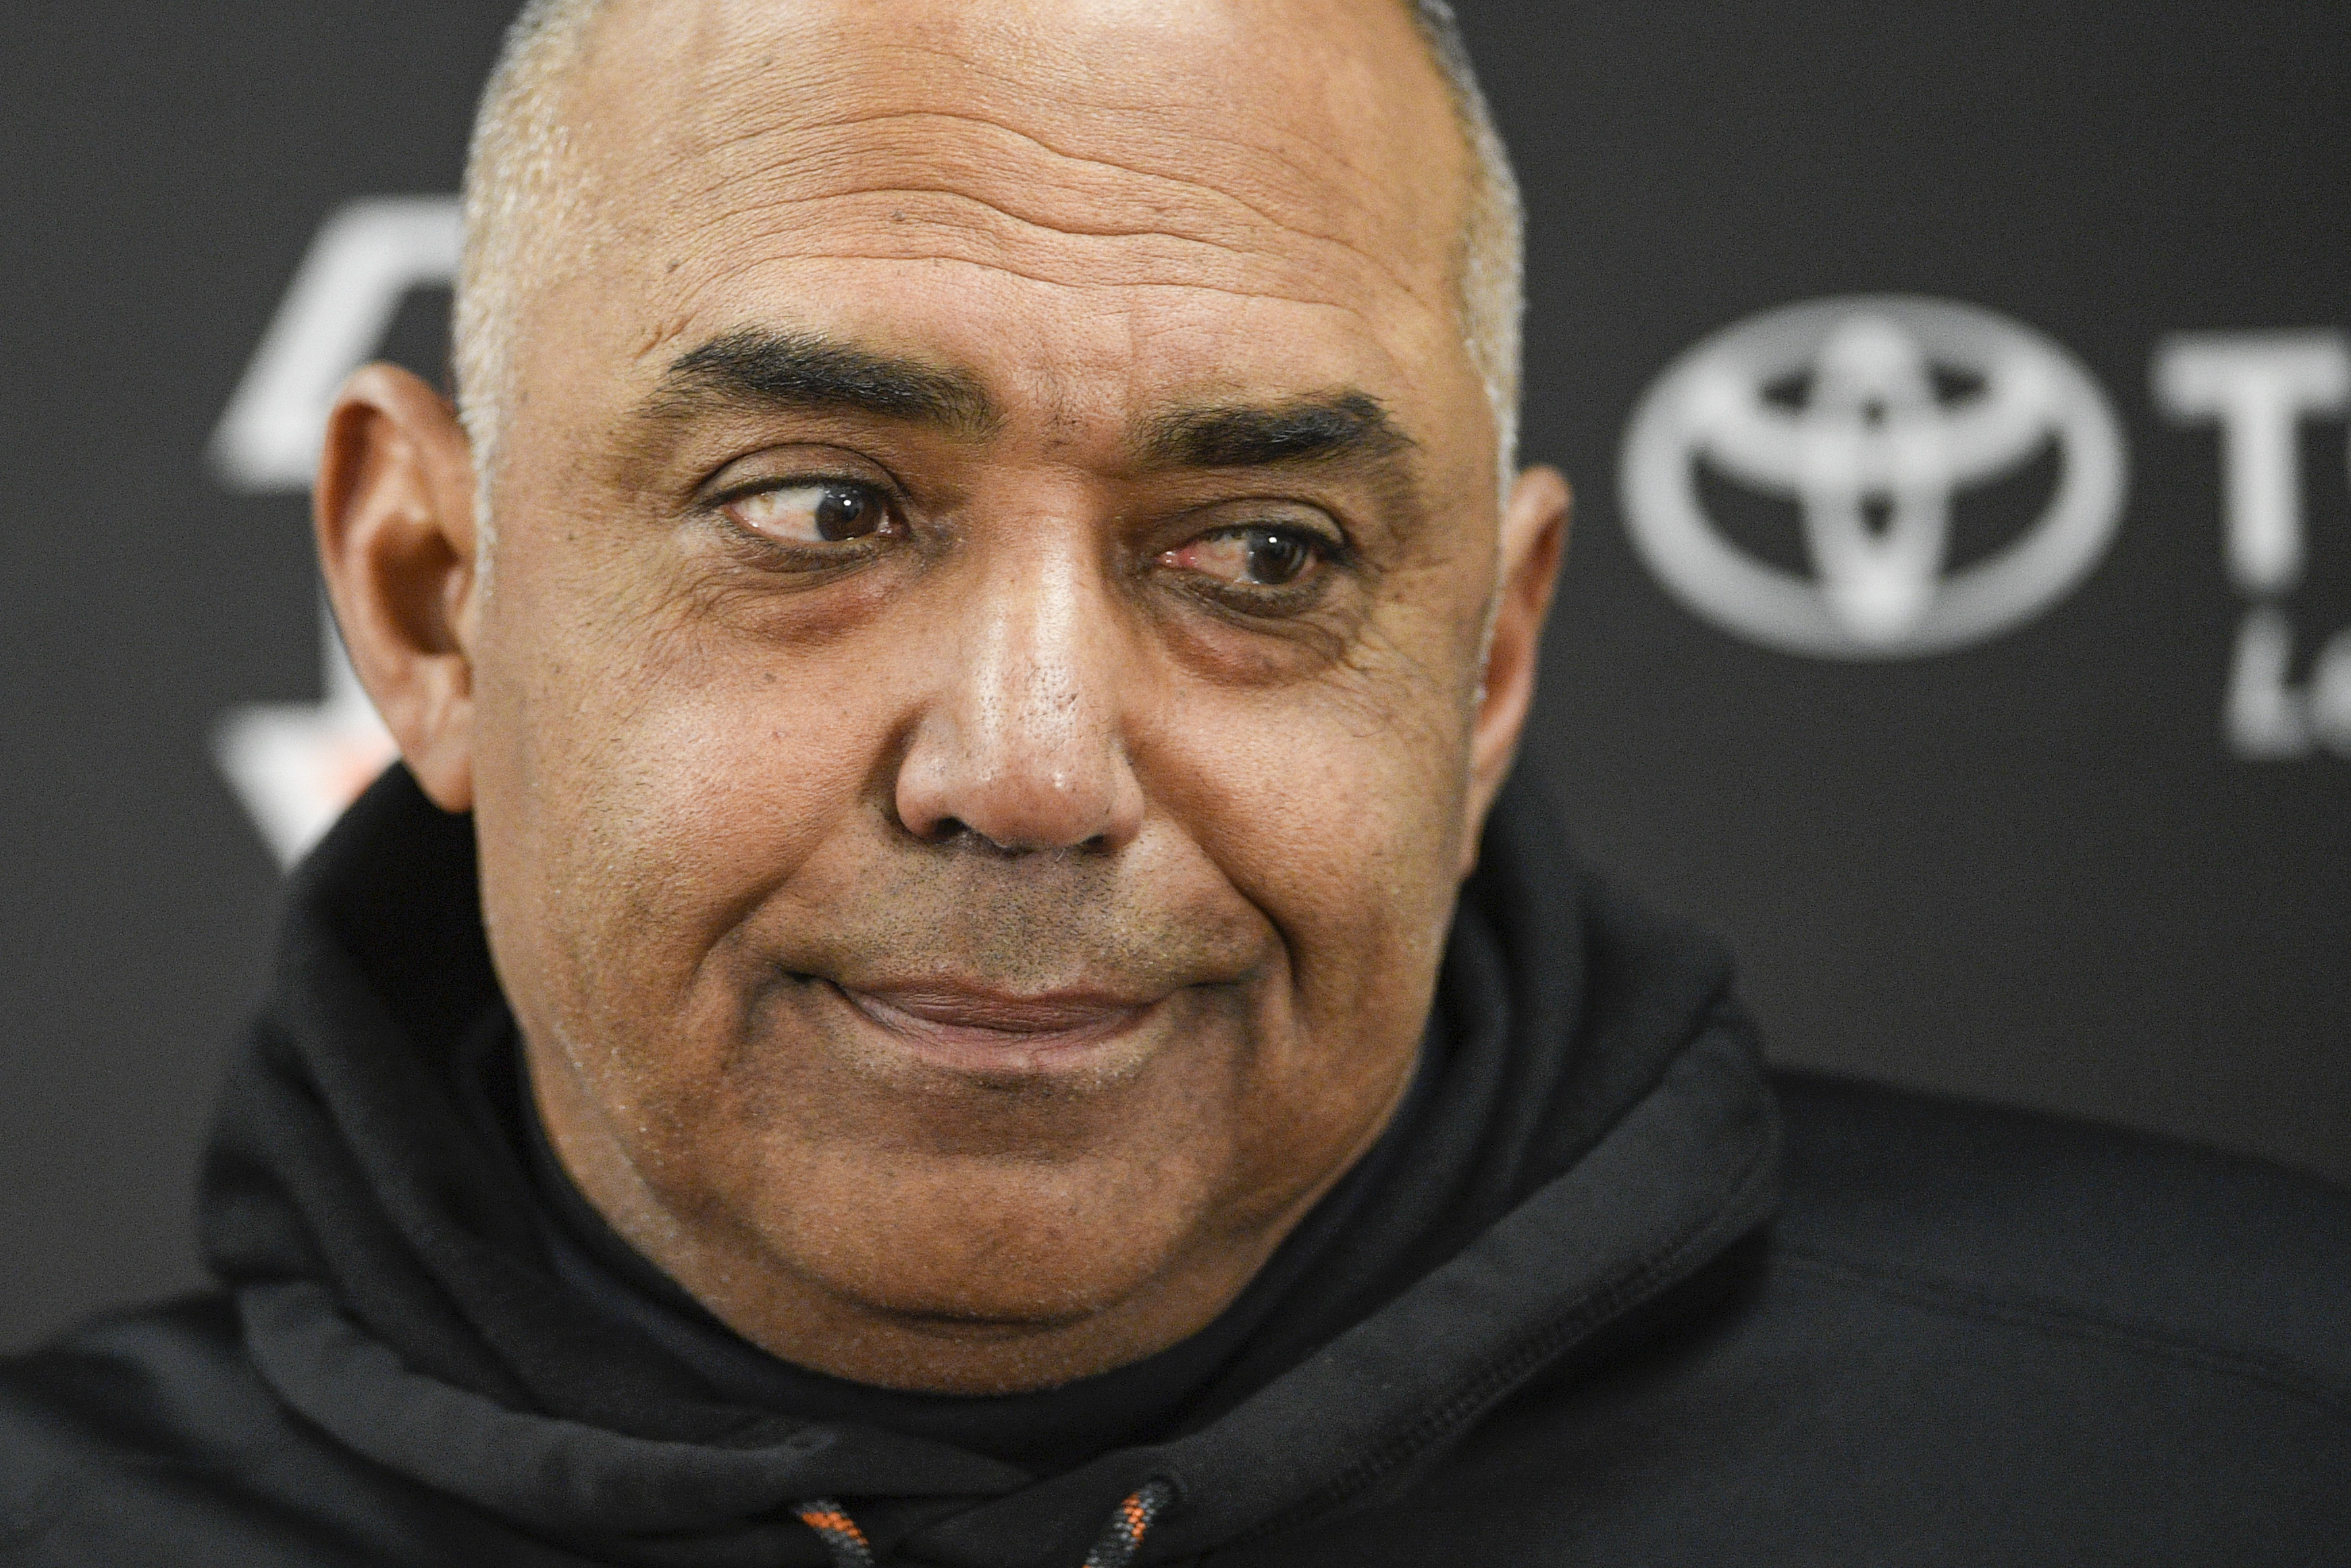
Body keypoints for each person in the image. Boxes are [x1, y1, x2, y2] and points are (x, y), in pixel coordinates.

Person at [4, 0, 2345, 1562]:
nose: (1026, 773)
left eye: (1260, 552)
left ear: (1488, 661)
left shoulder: (2238, 1443)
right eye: (819, 508)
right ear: (428, 600)